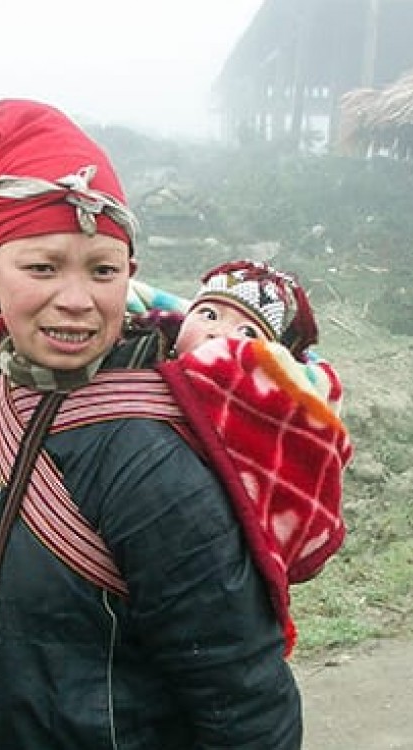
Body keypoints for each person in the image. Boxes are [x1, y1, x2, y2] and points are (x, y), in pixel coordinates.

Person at [0, 98, 302, 750]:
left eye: (102, 270)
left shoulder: (149, 462)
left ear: (129, 275)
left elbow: (246, 702)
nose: (76, 299)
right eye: (42, 267)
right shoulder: (7, 385)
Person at [146, 260, 353, 654]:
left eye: (247, 332)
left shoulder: (267, 412)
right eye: (207, 314)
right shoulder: (138, 365)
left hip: (217, 570)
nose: (218, 333)